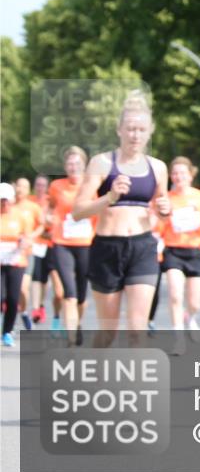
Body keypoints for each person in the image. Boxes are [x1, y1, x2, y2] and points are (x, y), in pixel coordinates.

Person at [72, 91, 170, 347]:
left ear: (150, 131)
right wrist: (109, 197)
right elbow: (78, 210)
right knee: (108, 331)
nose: (135, 135)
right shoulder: (101, 163)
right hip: (107, 247)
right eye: (130, 129)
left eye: (141, 129)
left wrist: (165, 209)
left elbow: (162, 209)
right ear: (119, 130)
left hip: (142, 247)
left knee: (136, 328)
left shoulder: (158, 167)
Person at [156, 156, 200, 355]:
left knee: (195, 302)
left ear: (190, 175)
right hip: (173, 250)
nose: (178, 177)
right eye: (175, 173)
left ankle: (190, 317)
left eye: (182, 173)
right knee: (175, 295)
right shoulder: (166, 198)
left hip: (195, 252)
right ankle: (178, 339)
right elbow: (157, 226)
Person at [48, 147, 97, 345]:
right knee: (69, 294)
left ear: (84, 166)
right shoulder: (56, 186)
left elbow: (101, 210)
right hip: (62, 243)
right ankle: (70, 340)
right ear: (65, 166)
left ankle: (77, 324)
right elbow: (51, 206)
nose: (73, 167)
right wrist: (49, 217)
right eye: (69, 163)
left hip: (86, 243)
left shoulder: (92, 186)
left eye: (77, 164)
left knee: (81, 297)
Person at [27, 174, 64, 328]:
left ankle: (56, 317)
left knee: (58, 288)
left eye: (43, 185)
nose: (40, 188)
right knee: (38, 278)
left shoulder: (52, 201)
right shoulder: (30, 201)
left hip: (54, 246)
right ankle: (37, 309)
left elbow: (61, 220)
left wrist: (51, 224)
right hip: (37, 244)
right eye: (38, 185)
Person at [1, 183, 33, 347]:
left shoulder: (20, 216)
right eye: (1, 200)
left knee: (13, 299)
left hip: (16, 261)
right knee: (1, 297)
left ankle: (7, 331)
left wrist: (21, 244)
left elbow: (28, 238)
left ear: (12, 200)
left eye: (6, 200)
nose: (4, 204)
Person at [11, 178, 45, 330]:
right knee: (8, 289)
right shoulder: (7, 205)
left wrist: (31, 237)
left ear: (28, 189)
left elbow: (42, 225)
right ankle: (9, 321)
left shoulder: (33, 207)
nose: (21, 189)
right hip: (8, 253)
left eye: (24, 186)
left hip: (27, 253)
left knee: (23, 288)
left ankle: (23, 312)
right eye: (19, 185)